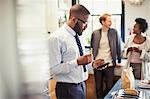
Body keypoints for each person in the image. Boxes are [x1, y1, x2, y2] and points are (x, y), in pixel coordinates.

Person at [49, 4, 104, 99]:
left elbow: (79, 63)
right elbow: (52, 70)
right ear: (73, 19)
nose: (86, 27)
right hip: (67, 89)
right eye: (84, 23)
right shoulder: (56, 38)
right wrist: (77, 62)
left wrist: (93, 65)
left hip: (81, 85)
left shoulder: (78, 36)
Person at [91, 13, 121, 98]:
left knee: (109, 87)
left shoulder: (114, 32)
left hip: (110, 63)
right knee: (98, 87)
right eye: (109, 21)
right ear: (102, 21)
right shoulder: (95, 33)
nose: (111, 23)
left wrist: (118, 60)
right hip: (98, 64)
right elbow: (92, 48)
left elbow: (118, 46)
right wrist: (92, 61)